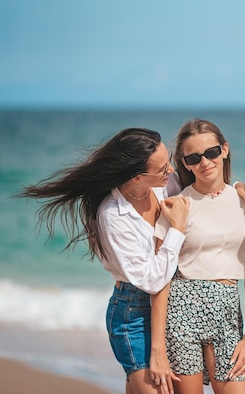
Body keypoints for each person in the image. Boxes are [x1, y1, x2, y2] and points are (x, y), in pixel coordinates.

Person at [18, 128, 191, 394]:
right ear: (136, 178)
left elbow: (198, 194)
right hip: (133, 314)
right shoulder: (113, 215)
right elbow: (153, 279)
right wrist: (177, 230)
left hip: (169, 308)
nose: (170, 170)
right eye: (162, 168)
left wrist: (238, 189)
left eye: (168, 161)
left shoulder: (164, 184)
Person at [152, 118, 245, 394]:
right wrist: (157, 347)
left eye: (211, 153)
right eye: (194, 158)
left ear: (224, 149)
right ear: (185, 163)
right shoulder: (178, 206)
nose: (205, 162)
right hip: (182, 310)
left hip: (229, 312)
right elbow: (160, 278)